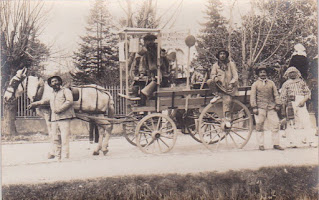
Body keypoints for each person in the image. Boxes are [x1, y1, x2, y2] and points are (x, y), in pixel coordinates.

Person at [28, 76, 75, 160]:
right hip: (54, 119)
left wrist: (60, 109)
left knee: (64, 139)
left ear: (60, 82)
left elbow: (69, 101)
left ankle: (65, 157)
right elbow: (44, 101)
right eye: (52, 82)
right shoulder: (51, 94)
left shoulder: (66, 91)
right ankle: (58, 157)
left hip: (64, 118)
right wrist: (34, 104)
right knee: (55, 139)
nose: (55, 83)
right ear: (50, 84)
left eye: (56, 81)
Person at [250, 66, 284, 151]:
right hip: (260, 107)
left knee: (275, 124)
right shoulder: (255, 84)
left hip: (271, 107)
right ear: (258, 74)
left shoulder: (271, 83)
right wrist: (254, 107)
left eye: (264, 72)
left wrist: (278, 104)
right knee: (259, 125)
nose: (262, 74)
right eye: (261, 72)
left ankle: (276, 144)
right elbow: (253, 96)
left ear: (267, 73)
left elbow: (276, 94)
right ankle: (261, 144)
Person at [280, 67, 315, 147]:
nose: (292, 74)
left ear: (297, 73)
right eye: (290, 72)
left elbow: (307, 93)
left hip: (301, 101)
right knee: (290, 122)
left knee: (306, 120)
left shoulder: (301, 82)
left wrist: (303, 101)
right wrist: (283, 107)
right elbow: (283, 96)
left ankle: (310, 140)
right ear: (287, 74)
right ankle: (291, 142)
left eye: (294, 72)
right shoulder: (286, 84)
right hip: (290, 103)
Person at [206, 49, 238, 124]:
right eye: (221, 54)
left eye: (224, 54)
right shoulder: (215, 65)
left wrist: (232, 83)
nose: (222, 55)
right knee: (209, 81)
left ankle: (227, 118)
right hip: (219, 86)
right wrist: (216, 79)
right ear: (218, 56)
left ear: (226, 55)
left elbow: (235, 76)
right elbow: (212, 75)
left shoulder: (231, 64)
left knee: (227, 99)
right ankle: (217, 95)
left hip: (229, 87)